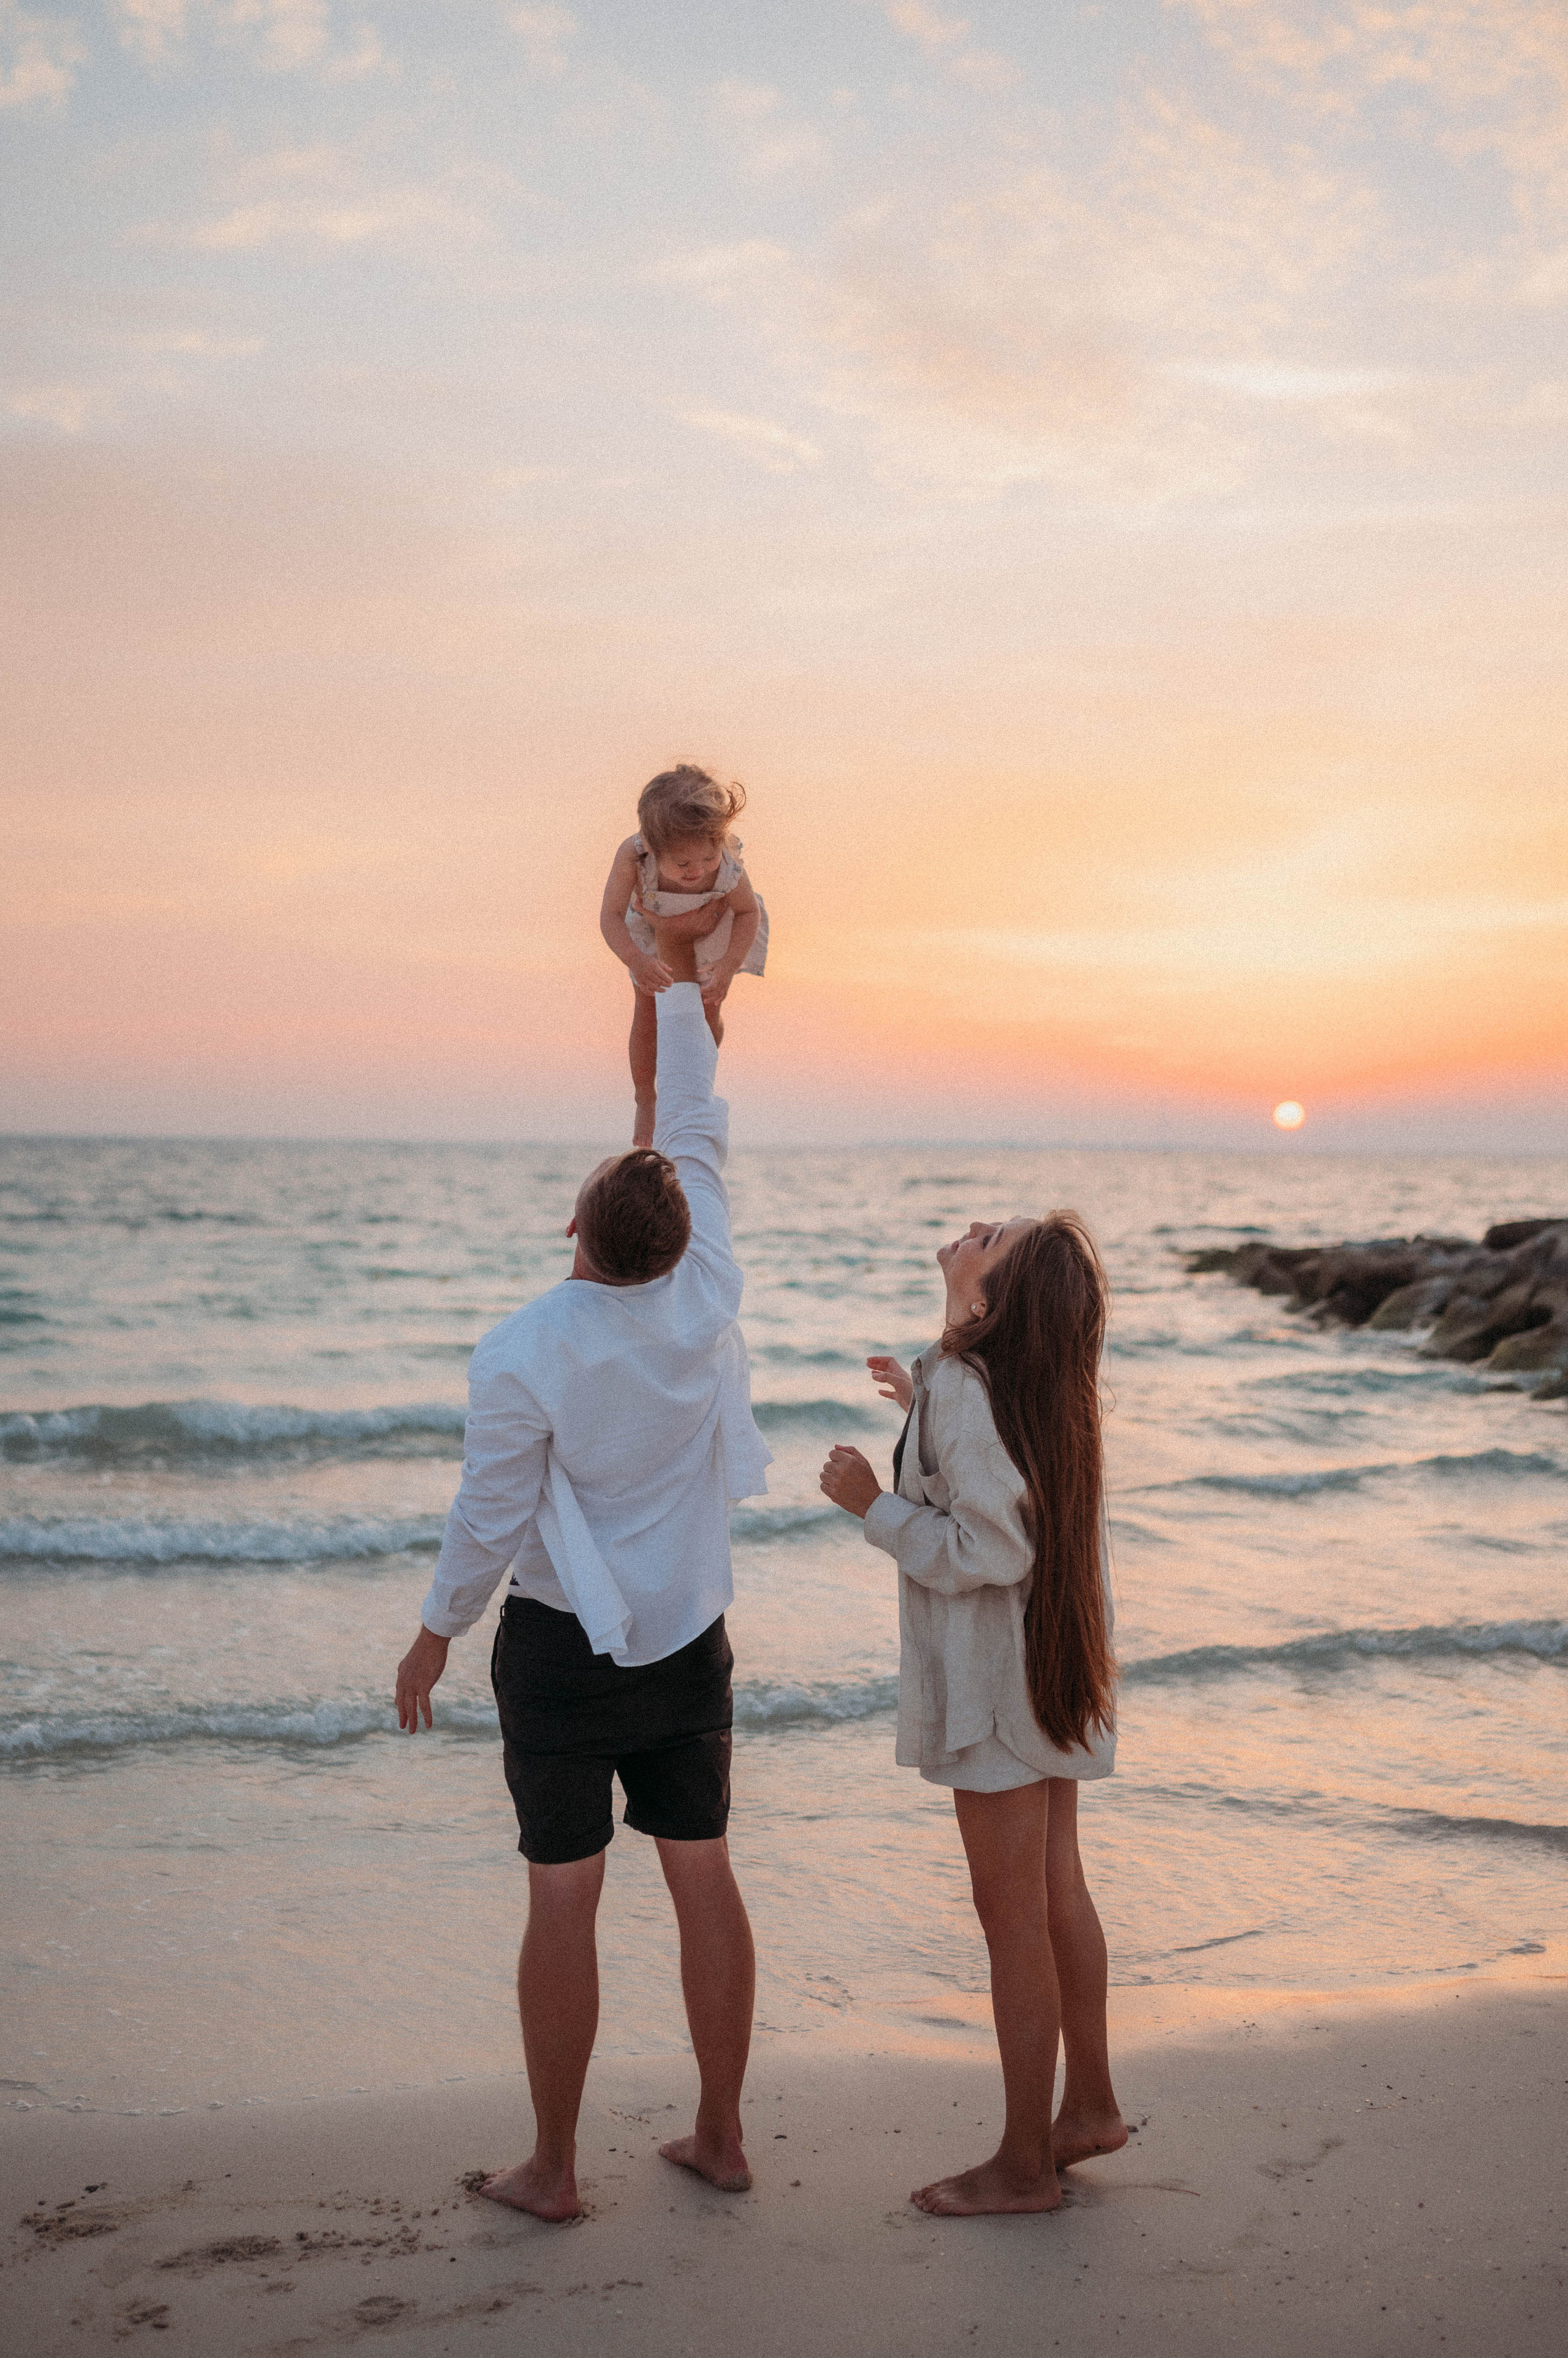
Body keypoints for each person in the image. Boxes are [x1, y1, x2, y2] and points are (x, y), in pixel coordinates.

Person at [394, 923, 772, 2223]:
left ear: (575, 1226)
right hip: (687, 1641)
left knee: (565, 1897)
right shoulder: (705, 1288)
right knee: (701, 1870)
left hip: (561, 1653)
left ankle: (553, 2169)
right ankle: (720, 2134)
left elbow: (488, 1516)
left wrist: (435, 1633)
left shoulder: (521, 1348)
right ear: (675, 1239)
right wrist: (669, 987)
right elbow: (696, 1121)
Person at [820, 1214, 1125, 2218]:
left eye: (998, 1238)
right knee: (1057, 1888)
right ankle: (1087, 2106)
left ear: (994, 1302)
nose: (977, 1226)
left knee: (1013, 1921)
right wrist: (924, 1405)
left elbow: (990, 1545)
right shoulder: (1015, 1383)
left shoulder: (968, 1384)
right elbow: (1000, 1478)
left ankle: (1025, 2165)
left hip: (998, 1687)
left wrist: (873, 1501)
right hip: (1052, 1668)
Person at [599, 764, 768, 1146]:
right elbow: (610, 916)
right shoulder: (633, 855)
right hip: (650, 935)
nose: (698, 870)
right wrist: (636, 960)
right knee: (648, 1012)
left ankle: (696, 1079)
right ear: (652, 847)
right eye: (682, 864)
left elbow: (748, 912)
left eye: (706, 860)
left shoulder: (725, 861)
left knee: (707, 1010)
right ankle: (646, 1097)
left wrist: (727, 968)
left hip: (715, 937)